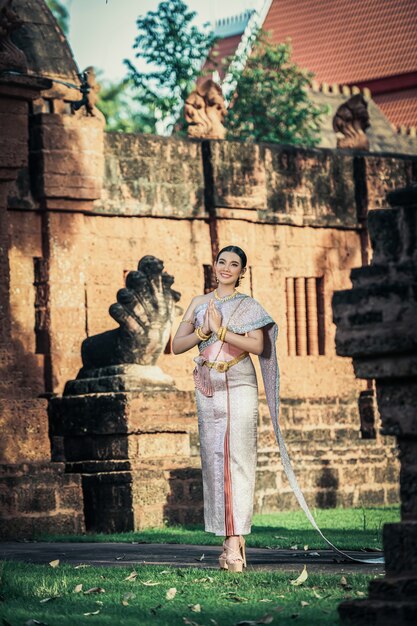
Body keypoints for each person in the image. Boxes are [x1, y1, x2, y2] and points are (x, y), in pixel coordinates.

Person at [172, 245, 279, 573]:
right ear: (214, 266)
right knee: (216, 460)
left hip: (240, 383)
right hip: (208, 388)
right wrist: (203, 332)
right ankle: (230, 533)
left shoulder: (248, 306)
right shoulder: (198, 303)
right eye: (222, 262)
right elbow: (176, 346)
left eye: (234, 265)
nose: (227, 268)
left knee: (238, 459)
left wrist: (222, 332)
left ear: (242, 271)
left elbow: (258, 346)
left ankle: (233, 542)